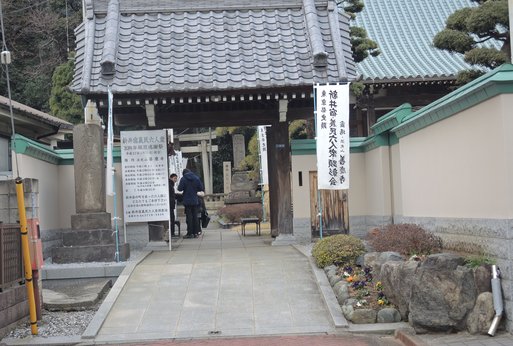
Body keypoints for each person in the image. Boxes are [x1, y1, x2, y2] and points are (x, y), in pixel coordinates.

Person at [177, 168, 204, 238]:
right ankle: (196, 233)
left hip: (187, 201)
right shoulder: (196, 178)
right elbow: (201, 188)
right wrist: (195, 189)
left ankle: (190, 233)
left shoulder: (183, 179)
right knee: (195, 216)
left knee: (189, 217)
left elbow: (179, 189)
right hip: (195, 200)